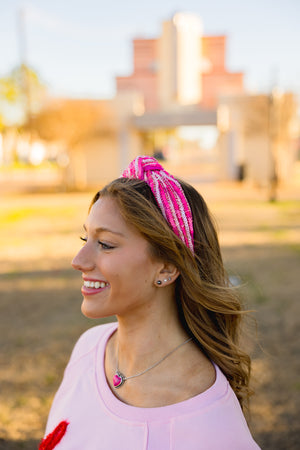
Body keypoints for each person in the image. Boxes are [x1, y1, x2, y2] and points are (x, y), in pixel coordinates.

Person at [40, 156, 260, 449]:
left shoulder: (209, 421)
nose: (78, 261)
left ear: (167, 268)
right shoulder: (89, 349)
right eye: (85, 238)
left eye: (105, 244)